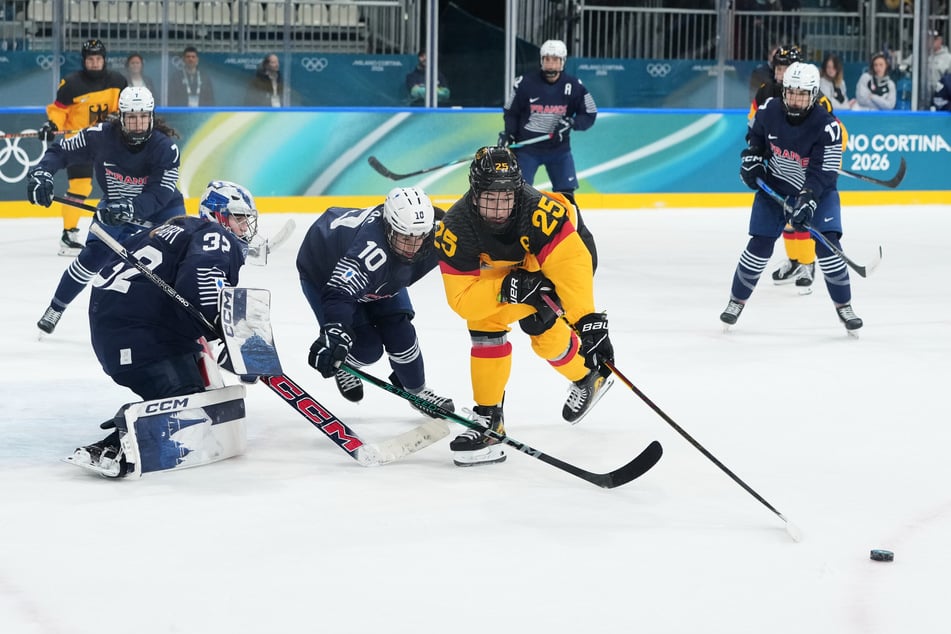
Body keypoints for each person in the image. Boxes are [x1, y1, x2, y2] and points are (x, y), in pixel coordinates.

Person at [434, 146, 614, 467]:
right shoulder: (456, 227)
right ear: (474, 193)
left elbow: (570, 263)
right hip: (517, 267)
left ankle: (588, 376)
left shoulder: (539, 212)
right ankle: (489, 417)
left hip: (565, 251)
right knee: (484, 321)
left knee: (541, 328)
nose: (500, 208)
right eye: (490, 197)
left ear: (519, 192)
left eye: (507, 198)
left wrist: (587, 319)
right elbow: (462, 298)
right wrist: (506, 288)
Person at [67, 181, 258, 478]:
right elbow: (202, 286)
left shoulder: (176, 229)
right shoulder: (215, 236)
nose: (244, 228)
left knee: (205, 393)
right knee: (187, 401)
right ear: (218, 216)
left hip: (129, 326)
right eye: (239, 218)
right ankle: (117, 444)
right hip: (136, 334)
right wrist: (231, 341)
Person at [29, 86, 186, 336]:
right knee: (92, 257)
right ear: (121, 117)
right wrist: (42, 172)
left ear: (152, 117)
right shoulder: (99, 136)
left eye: (143, 117)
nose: (138, 124)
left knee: (175, 265)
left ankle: (182, 320)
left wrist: (132, 208)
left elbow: (160, 193)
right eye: (132, 117)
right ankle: (55, 308)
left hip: (161, 211)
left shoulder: (165, 148)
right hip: (114, 207)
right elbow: (61, 151)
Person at [723, 62, 862, 334]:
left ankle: (844, 306)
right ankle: (735, 301)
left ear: (814, 94)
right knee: (760, 245)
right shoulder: (769, 110)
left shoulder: (828, 126)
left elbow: (823, 174)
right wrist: (751, 161)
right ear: (784, 90)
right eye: (792, 92)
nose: (796, 99)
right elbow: (756, 142)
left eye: (803, 94)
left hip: (818, 193)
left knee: (828, 245)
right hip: (775, 188)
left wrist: (808, 199)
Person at [297, 186, 454, 417]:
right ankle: (348, 366)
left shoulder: (435, 236)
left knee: (401, 334)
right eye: (404, 237)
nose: (412, 247)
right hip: (325, 272)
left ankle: (417, 392)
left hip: (381, 275)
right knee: (366, 349)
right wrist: (336, 332)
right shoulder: (369, 252)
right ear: (389, 227)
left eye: (419, 237)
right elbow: (340, 292)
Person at [750, 44, 847, 293]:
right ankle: (795, 260)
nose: (782, 73)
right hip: (782, 164)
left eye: (787, 68)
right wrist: (757, 151)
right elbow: (753, 125)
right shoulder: (765, 93)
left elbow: (833, 132)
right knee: (786, 219)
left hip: (808, 168)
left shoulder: (814, 96)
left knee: (801, 215)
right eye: (779, 67)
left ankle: (807, 262)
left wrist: (828, 159)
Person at [38, 39, 127, 256]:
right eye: (90, 59)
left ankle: (125, 230)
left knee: (121, 185)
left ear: (104, 59)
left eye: (98, 59)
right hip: (79, 143)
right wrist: (52, 125)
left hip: (109, 143)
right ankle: (69, 233)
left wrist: (119, 117)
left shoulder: (118, 81)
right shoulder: (71, 84)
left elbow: (124, 107)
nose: (95, 63)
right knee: (80, 188)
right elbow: (59, 111)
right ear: (84, 61)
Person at [500, 39, 597, 197]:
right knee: (518, 193)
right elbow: (511, 112)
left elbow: (590, 113)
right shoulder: (524, 84)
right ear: (541, 61)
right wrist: (509, 133)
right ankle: (519, 222)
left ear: (563, 62)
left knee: (566, 195)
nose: (550, 65)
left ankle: (570, 222)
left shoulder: (574, 86)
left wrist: (572, 122)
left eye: (555, 60)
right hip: (527, 149)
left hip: (559, 149)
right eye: (547, 59)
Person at [927, 30, 951, 100]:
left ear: (940, 40)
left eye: (934, 39)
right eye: (928, 38)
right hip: (921, 98)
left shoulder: (948, 58)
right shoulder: (920, 56)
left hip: (941, 98)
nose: (930, 41)